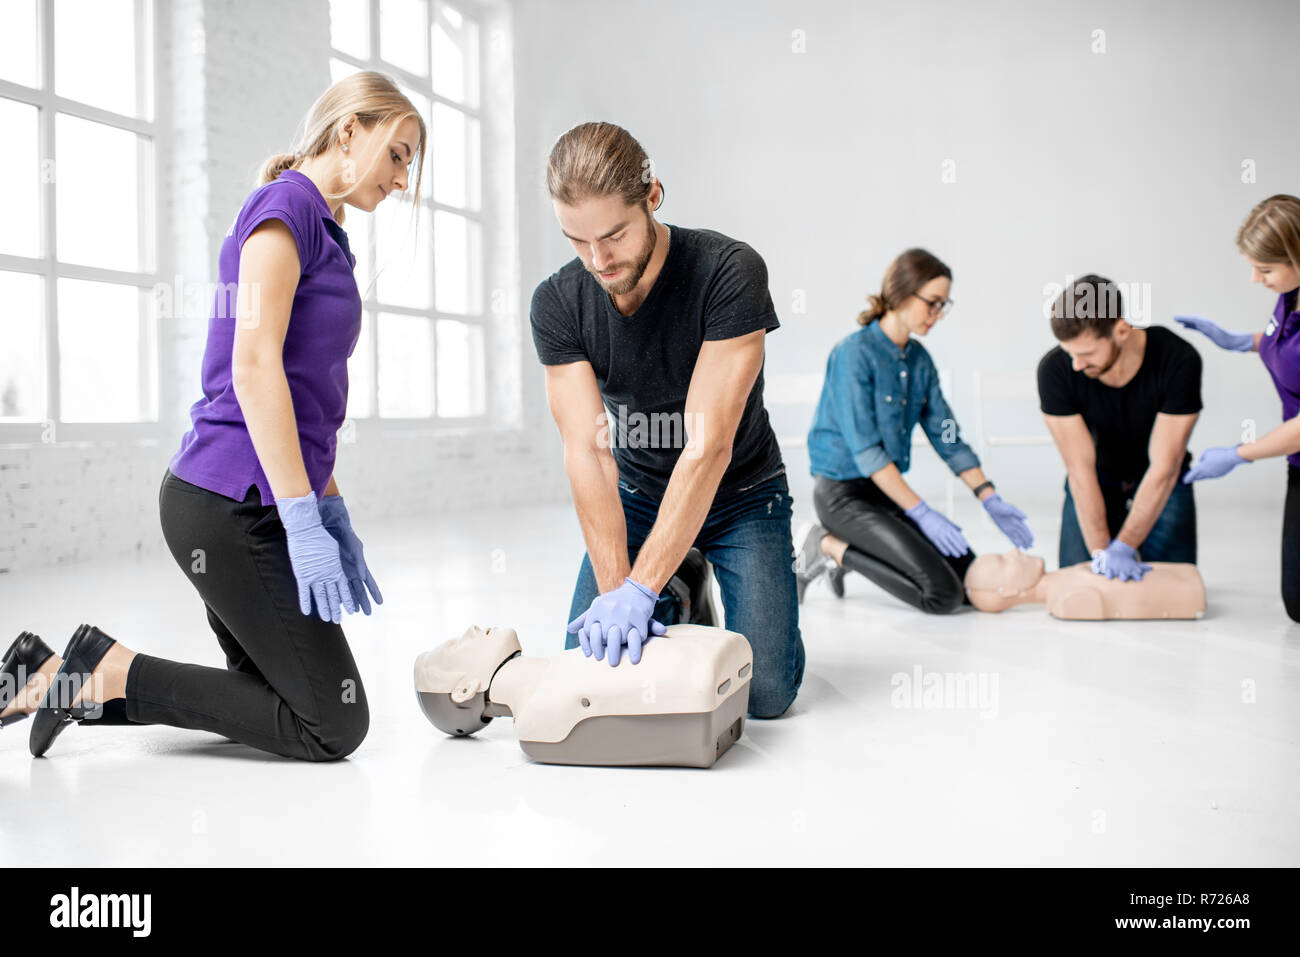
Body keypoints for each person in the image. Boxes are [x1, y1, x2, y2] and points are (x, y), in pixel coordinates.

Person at [3, 72, 423, 760]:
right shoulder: (283, 210)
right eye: (399, 152)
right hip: (227, 508)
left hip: (256, 505)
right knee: (333, 724)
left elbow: (305, 396)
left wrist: (331, 508)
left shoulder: (324, 228)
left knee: (280, 697)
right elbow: (253, 370)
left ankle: (57, 676)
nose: (404, 177)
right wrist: (300, 519)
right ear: (350, 129)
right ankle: (98, 667)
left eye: (412, 162)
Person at [529, 121, 803, 718]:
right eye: (576, 240)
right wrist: (617, 596)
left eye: (614, 235)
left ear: (652, 196)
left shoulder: (729, 272)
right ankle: (679, 580)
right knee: (594, 663)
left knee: (765, 694)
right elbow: (589, 453)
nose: (598, 261)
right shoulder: (557, 303)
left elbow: (708, 448)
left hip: (742, 494)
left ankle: (677, 573)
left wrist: (641, 589)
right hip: (640, 493)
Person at [798, 248, 1034, 613]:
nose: (938, 315)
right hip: (843, 496)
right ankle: (827, 545)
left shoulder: (919, 361)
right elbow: (869, 453)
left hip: (884, 493)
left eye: (944, 305)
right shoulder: (853, 354)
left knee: (968, 579)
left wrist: (987, 495)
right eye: (933, 303)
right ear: (903, 292)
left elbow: (947, 433)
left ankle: (848, 545)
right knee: (942, 595)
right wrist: (922, 512)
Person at [1176, 194, 1300, 621]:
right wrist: (1240, 341)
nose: (1254, 279)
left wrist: (1238, 454)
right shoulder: (1292, 293)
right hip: (1298, 463)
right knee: (1298, 602)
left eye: (1265, 269)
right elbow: (1284, 342)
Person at [1038, 274, 1202, 581]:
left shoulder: (1178, 359)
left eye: (1086, 354)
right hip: (1096, 478)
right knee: (1081, 583)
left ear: (1121, 330)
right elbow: (1079, 470)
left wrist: (1124, 545)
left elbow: (1165, 466)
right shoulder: (1055, 371)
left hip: (1161, 478)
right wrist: (1103, 554)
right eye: (1069, 353)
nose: (1076, 364)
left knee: (1173, 587)